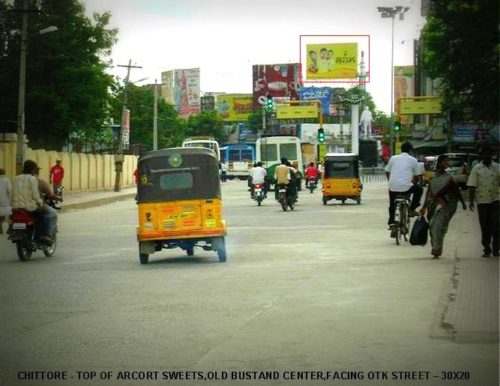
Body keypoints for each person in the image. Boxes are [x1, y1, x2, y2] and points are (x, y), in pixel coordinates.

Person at [420, 155, 467, 259]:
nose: (447, 164)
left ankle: (436, 249)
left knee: (438, 226)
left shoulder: (449, 178)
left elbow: (456, 191)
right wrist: (424, 206)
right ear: (439, 162)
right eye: (445, 162)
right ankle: (436, 245)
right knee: (432, 225)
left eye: (447, 162)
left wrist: (463, 203)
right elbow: (429, 192)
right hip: (433, 205)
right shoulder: (432, 176)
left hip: (446, 205)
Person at [467, 146, 499, 257]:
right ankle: (486, 248)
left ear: (492, 155)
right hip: (482, 200)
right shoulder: (476, 169)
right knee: (485, 226)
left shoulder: (498, 168)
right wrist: (471, 202)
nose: (487, 156)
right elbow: (472, 185)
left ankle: (496, 249)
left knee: (496, 225)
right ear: (481, 156)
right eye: (484, 154)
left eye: (489, 154)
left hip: (496, 200)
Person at [11, 160, 53, 245]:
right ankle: (41, 236)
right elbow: (35, 196)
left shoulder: (15, 178)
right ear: (33, 170)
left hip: (16, 207)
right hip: (29, 207)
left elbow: (11, 193)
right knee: (48, 214)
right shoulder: (33, 179)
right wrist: (40, 203)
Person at [385, 141, 423, 228]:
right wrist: (415, 183)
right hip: (406, 187)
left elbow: (387, 172)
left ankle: (391, 221)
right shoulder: (413, 160)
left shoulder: (393, 158)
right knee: (419, 189)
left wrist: (390, 181)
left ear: (401, 150)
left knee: (392, 204)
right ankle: (412, 208)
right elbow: (417, 176)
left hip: (393, 186)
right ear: (410, 150)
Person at [35, 167, 60, 241]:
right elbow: (51, 174)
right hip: (54, 181)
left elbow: (62, 175)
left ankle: (59, 193)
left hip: (59, 181)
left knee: (59, 190)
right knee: (52, 213)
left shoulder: (61, 168)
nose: (58, 162)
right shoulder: (54, 168)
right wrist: (50, 179)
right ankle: (46, 236)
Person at [0, 168, 12, 234]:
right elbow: (10, 190)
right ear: (4, 173)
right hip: (6, 203)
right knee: (10, 216)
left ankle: (0, 231)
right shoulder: (7, 180)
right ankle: (10, 230)